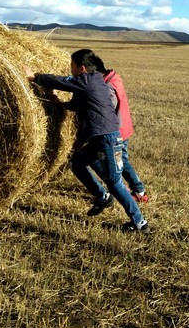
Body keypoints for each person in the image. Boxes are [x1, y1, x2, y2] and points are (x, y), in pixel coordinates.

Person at [25, 49, 150, 233]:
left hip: (108, 138)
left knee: (114, 181)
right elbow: (77, 105)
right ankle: (102, 196)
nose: (70, 70)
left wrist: (34, 77)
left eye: (72, 67)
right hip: (100, 138)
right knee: (77, 163)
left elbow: (60, 81)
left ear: (82, 68)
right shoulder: (95, 82)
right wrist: (57, 102)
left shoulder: (87, 80)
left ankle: (139, 223)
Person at [87, 53, 148, 203]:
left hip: (117, 131)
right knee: (113, 160)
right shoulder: (113, 78)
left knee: (121, 161)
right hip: (123, 127)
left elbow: (107, 110)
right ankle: (125, 188)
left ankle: (138, 191)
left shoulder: (107, 86)